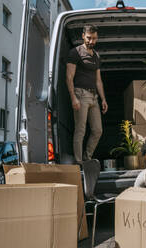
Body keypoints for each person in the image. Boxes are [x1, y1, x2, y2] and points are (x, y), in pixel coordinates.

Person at [66, 25, 108, 164]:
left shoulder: (96, 55)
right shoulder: (75, 52)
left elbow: (98, 80)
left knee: (98, 130)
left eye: (94, 38)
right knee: (81, 130)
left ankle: (87, 157)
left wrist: (103, 99)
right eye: (89, 38)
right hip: (80, 94)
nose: (91, 41)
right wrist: (73, 98)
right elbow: (69, 77)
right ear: (83, 36)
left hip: (94, 97)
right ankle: (79, 163)